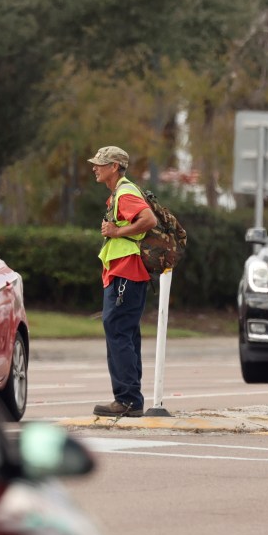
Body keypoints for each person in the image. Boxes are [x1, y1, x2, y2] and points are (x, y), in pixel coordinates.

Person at [89, 145, 157, 418]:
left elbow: (148, 219)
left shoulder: (126, 192)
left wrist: (117, 231)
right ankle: (130, 398)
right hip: (125, 272)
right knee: (125, 333)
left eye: (100, 163)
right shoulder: (120, 193)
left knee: (117, 330)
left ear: (114, 166)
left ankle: (127, 399)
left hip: (127, 272)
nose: (95, 167)